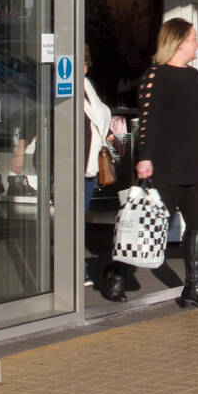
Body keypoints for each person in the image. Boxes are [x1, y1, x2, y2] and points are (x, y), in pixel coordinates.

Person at [103, 18, 198, 308]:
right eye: (193, 39)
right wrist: (145, 158)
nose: (197, 44)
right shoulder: (155, 75)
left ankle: (194, 287)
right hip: (166, 165)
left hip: (197, 165)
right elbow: (147, 120)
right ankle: (118, 271)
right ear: (177, 42)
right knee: (149, 225)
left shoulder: (194, 76)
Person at [82, 44, 117, 288]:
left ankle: (73, 265)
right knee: (73, 217)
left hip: (90, 163)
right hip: (76, 163)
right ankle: (73, 267)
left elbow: (99, 119)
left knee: (78, 216)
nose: (85, 67)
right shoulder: (66, 90)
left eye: (86, 62)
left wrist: (114, 140)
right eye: (82, 62)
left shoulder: (87, 87)